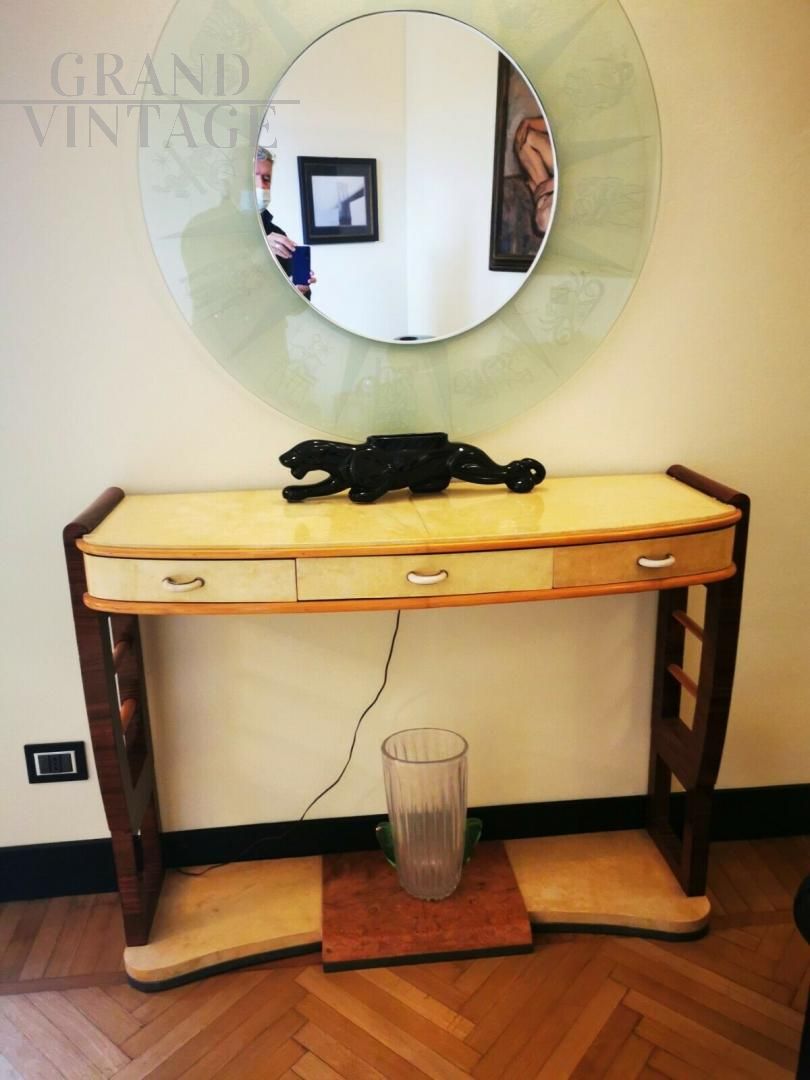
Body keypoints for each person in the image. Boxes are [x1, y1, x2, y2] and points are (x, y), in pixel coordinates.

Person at [255, 147, 316, 298]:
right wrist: (259, 250)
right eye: (253, 177)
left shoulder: (277, 234)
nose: (261, 186)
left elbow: (295, 305)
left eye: (266, 179)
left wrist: (299, 290)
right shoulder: (207, 228)